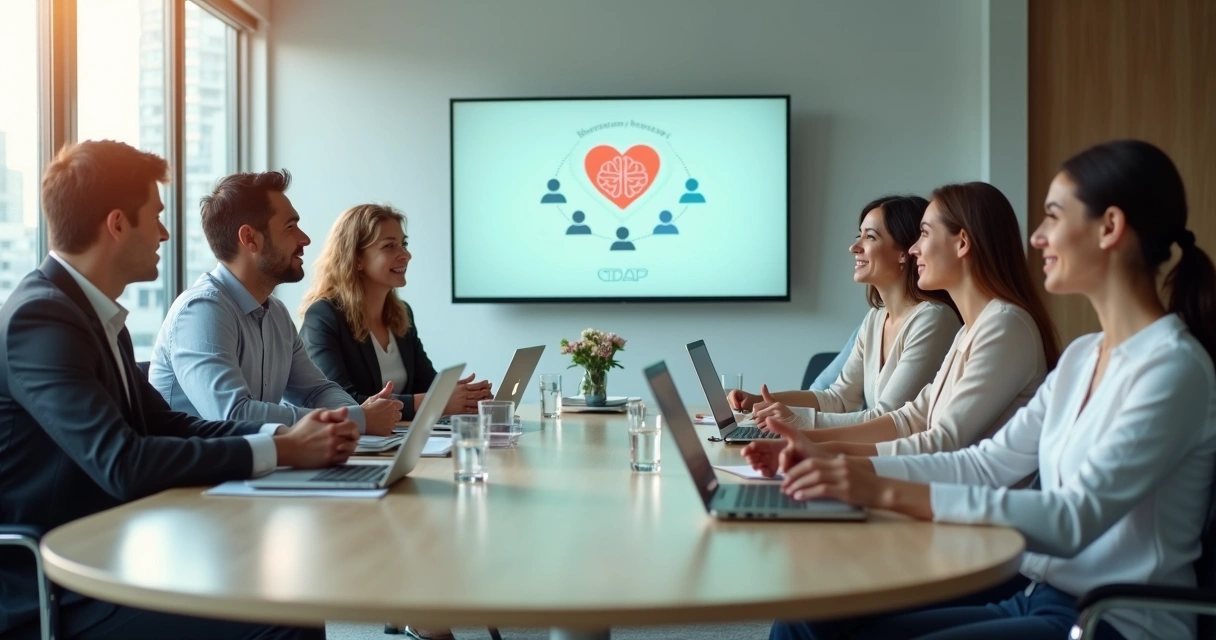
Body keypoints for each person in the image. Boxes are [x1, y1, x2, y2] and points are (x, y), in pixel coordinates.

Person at [747, 140, 1216, 640]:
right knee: (808, 621)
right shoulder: (1084, 356)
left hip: (1111, 621)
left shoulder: (1173, 369)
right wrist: (843, 468)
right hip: (1038, 597)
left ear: (1110, 228)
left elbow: (1071, 518)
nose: (1037, 237)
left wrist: (876, 487)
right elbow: (984, 462)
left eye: (1053, 217)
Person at [0, 140, 356, 639]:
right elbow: (122, 463)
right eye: (157, 217)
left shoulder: (100, 317)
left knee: (284, 594)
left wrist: (283, 446)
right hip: (56, 586)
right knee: (282, 617)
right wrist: (280, 448)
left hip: (111, 551)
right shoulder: (41, 320)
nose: (165, 233)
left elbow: (162, 422)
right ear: (118, 224)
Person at [754, 182, 1059, 456]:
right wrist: (811, 442)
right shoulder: (971, 328)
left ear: (962, 243)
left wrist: (820, 447)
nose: (914, 248)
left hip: (968, 507)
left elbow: (940, 441)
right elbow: (910, 419)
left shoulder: (1001, 326)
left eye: (924, 234)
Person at [149, 171, 403, 436]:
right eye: (290, 227)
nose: (304, 239)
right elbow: (234, 416)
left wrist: (357, 417)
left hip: (255, 467)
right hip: (201, 476)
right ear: (249, 238)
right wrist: (354, 419)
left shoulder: (276, 313)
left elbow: (317, 390)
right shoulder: (202, 311)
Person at [729, 195, 960, 426]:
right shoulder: (875, 319)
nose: (854, 247)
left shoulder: (933, 320)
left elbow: (887, 420)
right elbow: (838, 398)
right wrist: (757, 402)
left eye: (870, 237)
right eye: (859, 235)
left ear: (904, 252)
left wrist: (797, 421)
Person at [299, 203, 493, 420]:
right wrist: (436, 401)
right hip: (355, 446)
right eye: (390, 246)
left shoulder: (402, 314)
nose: (406, 255)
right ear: (357, 258)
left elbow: (425, 382)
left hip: (398, 438)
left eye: (404, 244)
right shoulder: (324, 317)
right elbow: (341, 402)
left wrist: (465, 396)